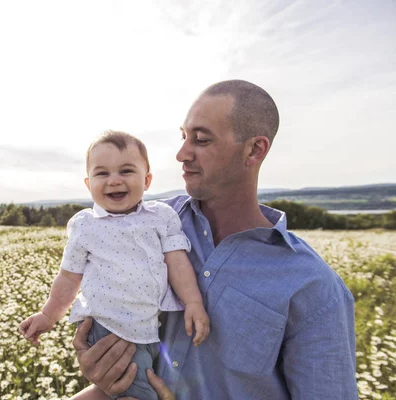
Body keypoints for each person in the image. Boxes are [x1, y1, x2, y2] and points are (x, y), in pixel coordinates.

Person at [72, 80, 358, 399]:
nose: (181, 154)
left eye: (201, 140)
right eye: (183, 136)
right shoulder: (147, 223)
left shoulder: (314, 288)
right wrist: (101, 366)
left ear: (254, 150)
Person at [19, 131, 210, 400]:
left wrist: (193, 302)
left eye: (126, 171)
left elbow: (177, 262)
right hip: (107, 326)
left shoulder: (161, 217)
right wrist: (49, 315)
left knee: (133, 385)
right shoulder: (84, 225)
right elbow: (68, 277)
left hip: (149, 326)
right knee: (138, 393)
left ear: (147, 180)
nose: (114, 180)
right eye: (102, 174)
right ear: (88, 184)